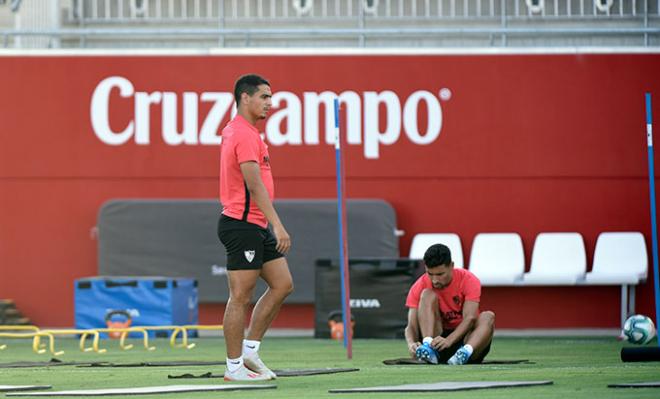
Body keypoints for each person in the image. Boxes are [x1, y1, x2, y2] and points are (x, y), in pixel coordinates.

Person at [217, 74, 294, 381]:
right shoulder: (243, 133)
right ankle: (233, 368)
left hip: (255, 225)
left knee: (282, 284)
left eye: (271, 98)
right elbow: (254, 184)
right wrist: (278, 225)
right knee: (240, 296)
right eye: (264, 97)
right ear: (245, 98)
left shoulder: (247, 132)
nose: (270, 104)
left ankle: (250, 351)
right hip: (242, 225)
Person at [404, 243, 495, 365]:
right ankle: (428, 348)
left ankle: (464, 354)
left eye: (440, 274)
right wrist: (411, 344)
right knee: (427, 294)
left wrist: (449, 340)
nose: (435, 280)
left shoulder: (468, 280)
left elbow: (470, 318)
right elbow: (411, 326)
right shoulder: (419, 285)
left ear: (451, 266)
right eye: (430, 274)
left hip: (467, 341)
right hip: (436, 344)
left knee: (488, 316)